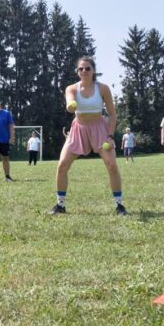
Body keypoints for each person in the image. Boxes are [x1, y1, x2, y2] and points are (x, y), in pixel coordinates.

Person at [49, 57, 127, 216]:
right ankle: (60, 205)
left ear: (93, 71)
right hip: (78, 128)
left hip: (100, 128)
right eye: (81, 69)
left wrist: (111, 136)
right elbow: (70, 102)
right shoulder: (71, 88)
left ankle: (119, 206)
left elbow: (112, 115)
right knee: (62, 165)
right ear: (77, 72)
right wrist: (71, 105)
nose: (84, 71)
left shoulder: (103, 89)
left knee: (111, 164)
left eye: (87, 68)